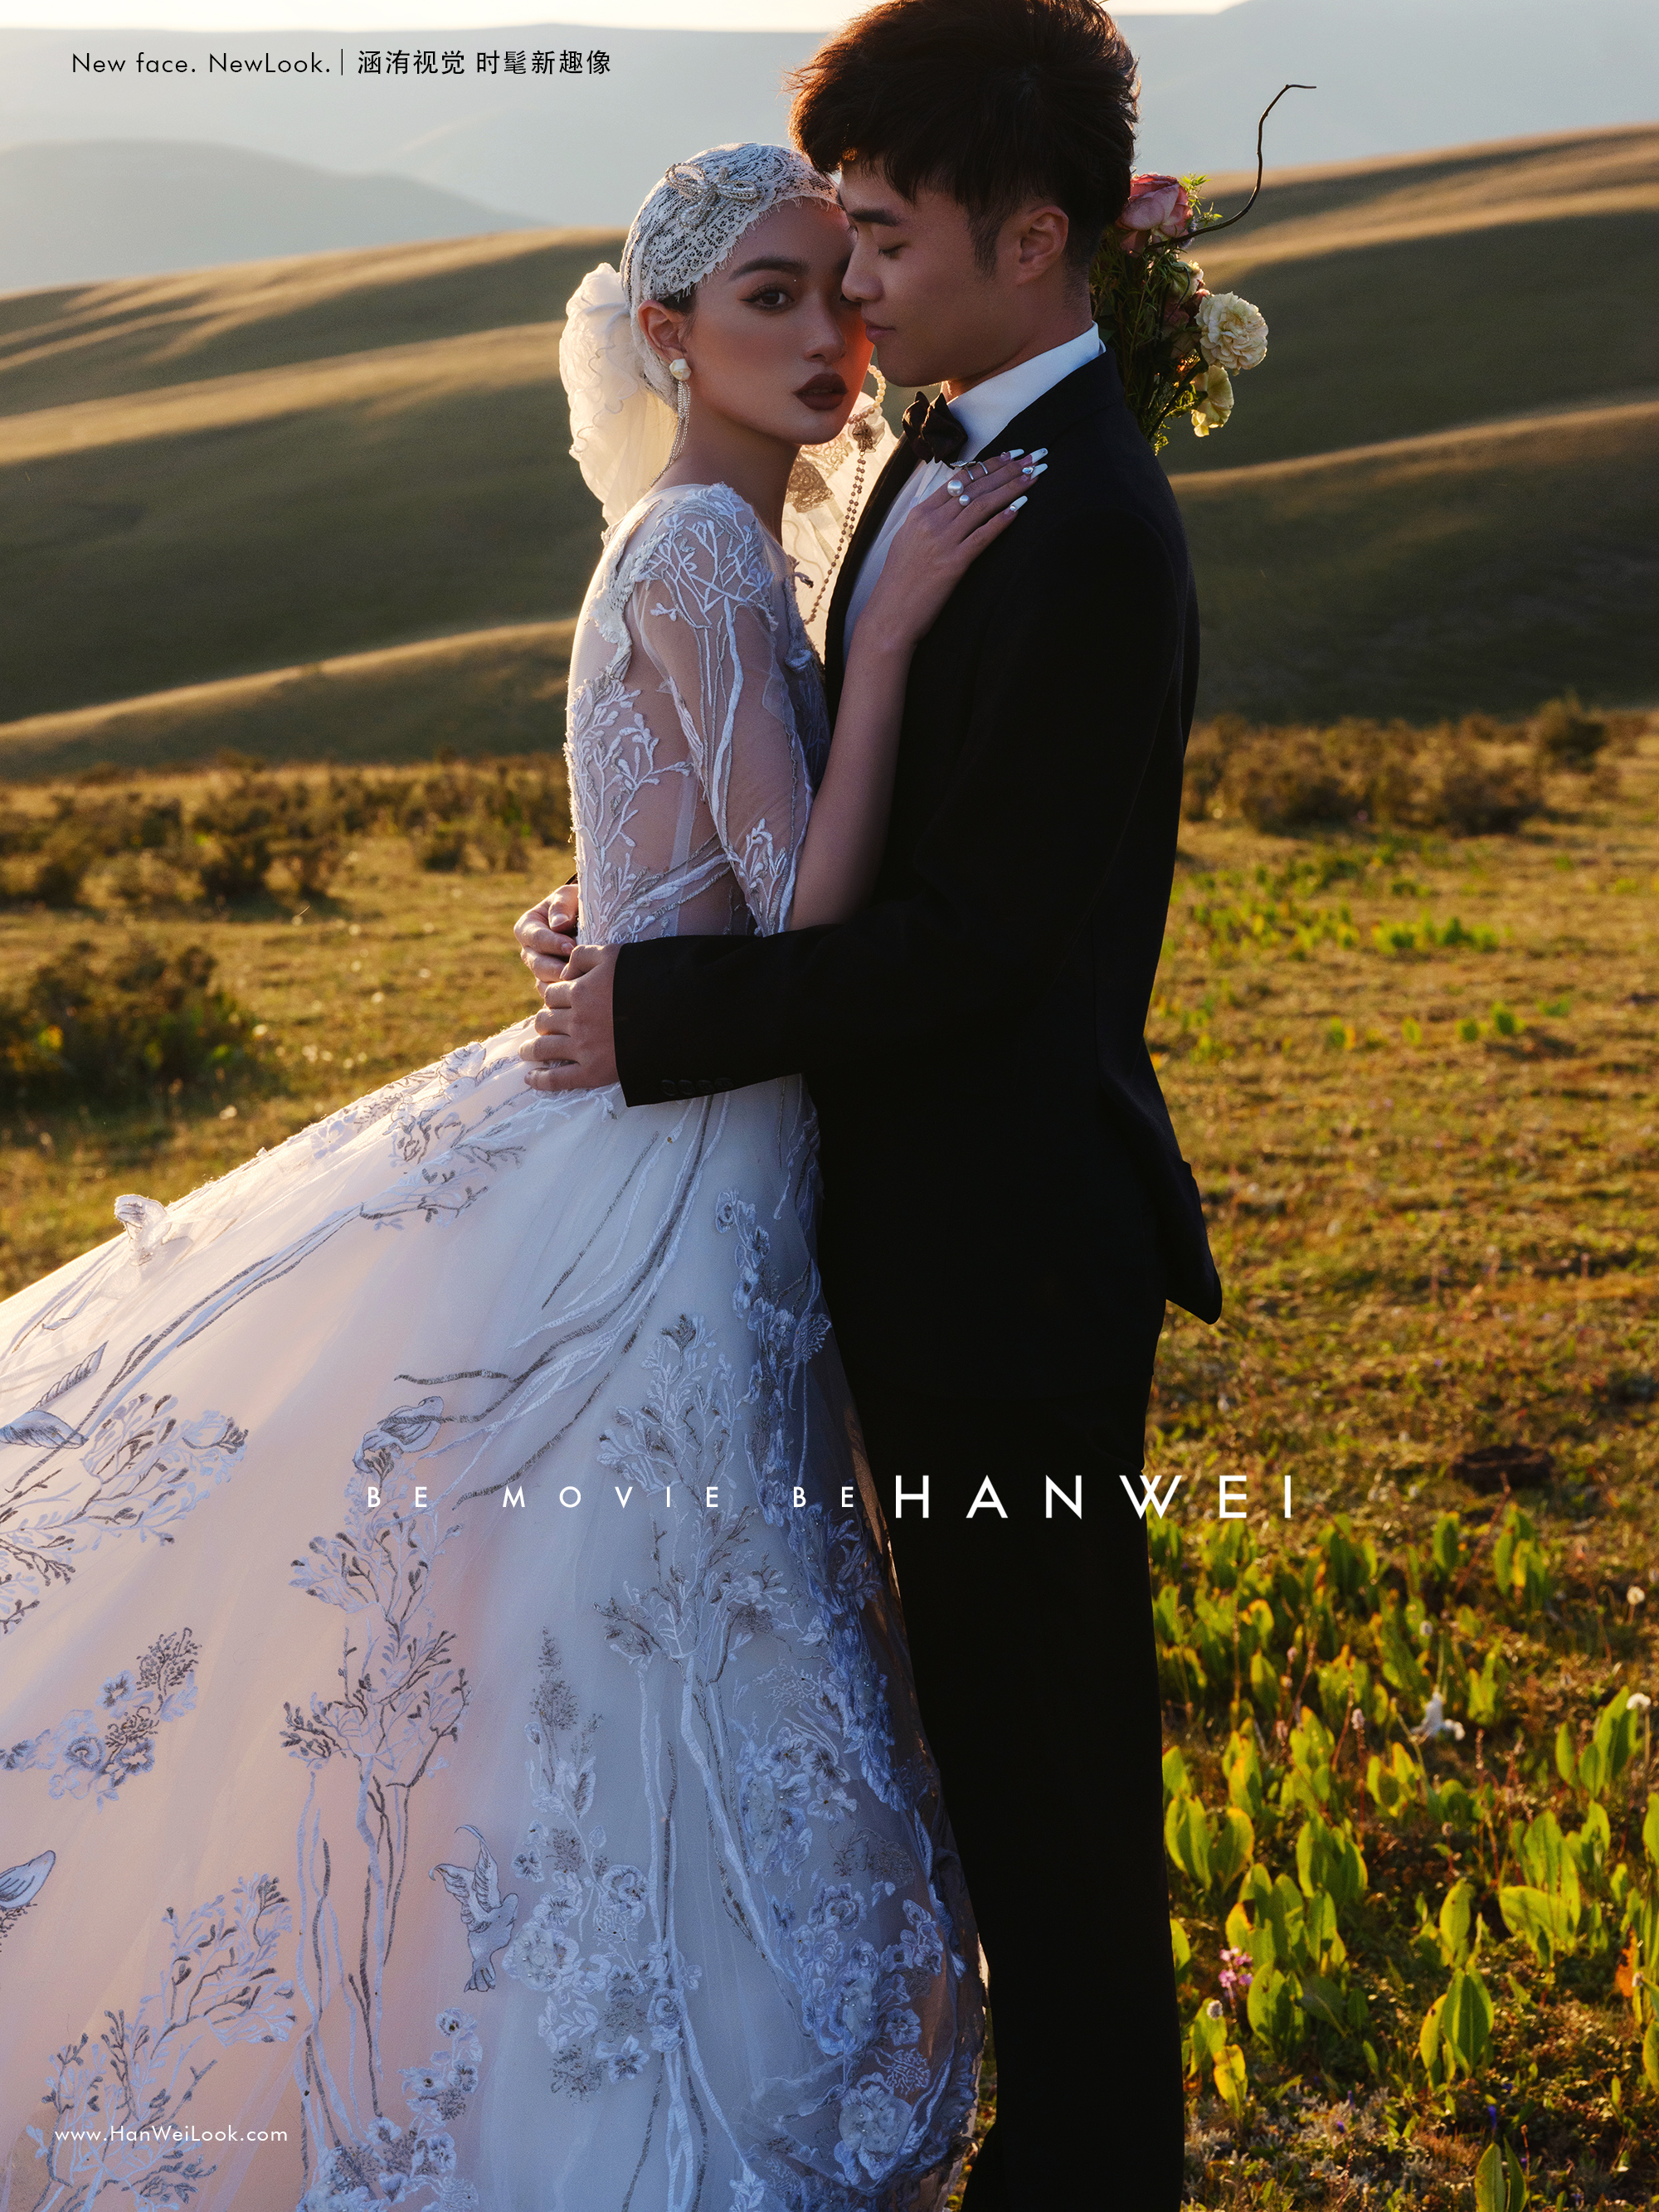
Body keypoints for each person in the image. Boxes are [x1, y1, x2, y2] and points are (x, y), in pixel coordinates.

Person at [0, 143, 1033, 2212]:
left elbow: (669, 864)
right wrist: (900, 646)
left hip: (673, 1115)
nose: (828, 336)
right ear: (666, 333)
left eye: (839, 290)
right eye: (766, 297)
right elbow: (796, 912)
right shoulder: (711, 545)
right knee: (625, 1630)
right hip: (677, 1163)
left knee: (579, 1632)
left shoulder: (694, 531)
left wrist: (599, 919)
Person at [515, 5, 1223, 2206]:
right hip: (899, 1228)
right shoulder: (945, 444)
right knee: (968, 1732)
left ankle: (1093, 2168)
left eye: (887, 246)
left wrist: (660, 1009)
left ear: (1034, 242)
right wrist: (643, 907)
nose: (858, 296)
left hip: (1011, 1256)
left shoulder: (1086, 522)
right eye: (834, 254)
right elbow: (826, 802)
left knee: (1048, 1760)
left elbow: (971, 944)